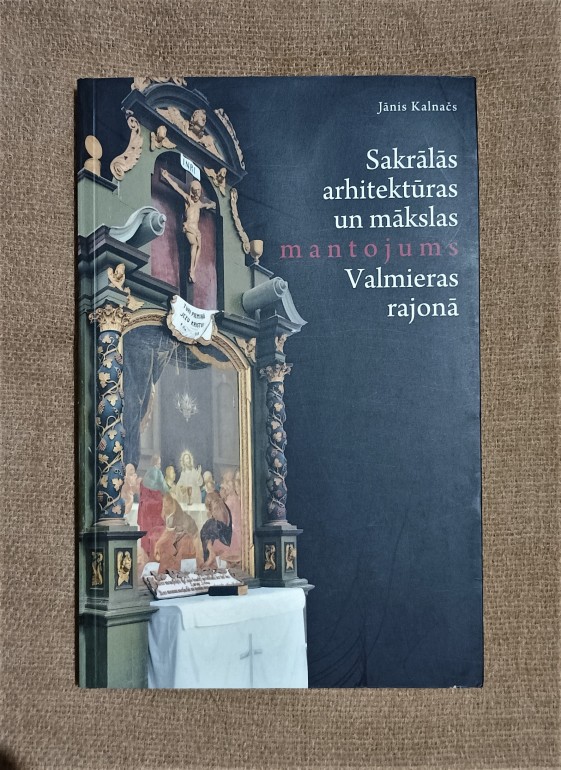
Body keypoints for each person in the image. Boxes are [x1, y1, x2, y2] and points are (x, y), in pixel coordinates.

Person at [161, 168, 216, 284]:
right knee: (194, 244)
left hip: (196, 230)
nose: (196, 196)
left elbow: (210, 204)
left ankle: (193, 269)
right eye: (195, 193)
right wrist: (167, 177)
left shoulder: (199, 204)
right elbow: (176, 188)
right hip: (189, 227)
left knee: (199, 247)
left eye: (198, 193)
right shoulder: (188, 200)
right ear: (191, 192)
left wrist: (211, 205)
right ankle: (191, 269)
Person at [154, 493, 203, 572]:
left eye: (165, 505)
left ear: (170, 504)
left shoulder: (176, 516)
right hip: (183, 540)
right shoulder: (172, 514)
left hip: (188, 542)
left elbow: (168, 534)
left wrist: (157, 544)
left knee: (166, 548)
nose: (164, 507)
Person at [137, 454, 169, 562]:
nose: (159, 465)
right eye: (159, 463)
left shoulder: (147, 474)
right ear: (156, 463)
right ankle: (156, 556)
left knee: (147, 532)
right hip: (155, 507)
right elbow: (165, 489)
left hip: (145, 508)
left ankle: (148, 556)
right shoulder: (157, 472)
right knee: (156, 532)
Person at [199, 491, 232, 569]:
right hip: (224, 532)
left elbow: (220, 523)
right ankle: (210, 556)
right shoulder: (222, 504)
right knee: (208, 528)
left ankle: (210, 555)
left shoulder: (217, 505)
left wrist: (211, 517)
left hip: (224, 535)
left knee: (206, 529)